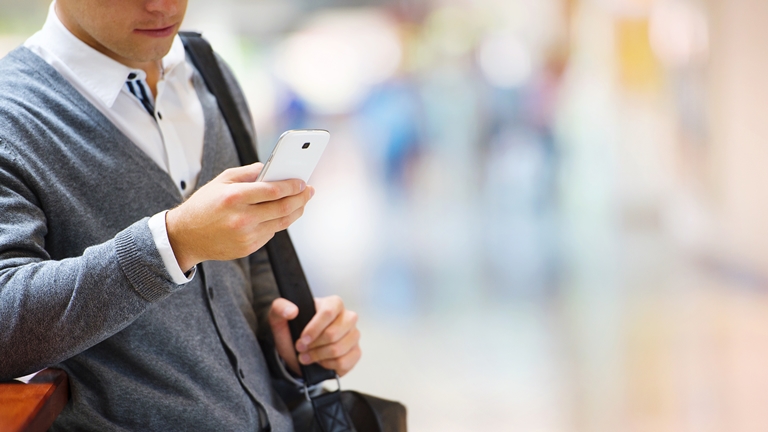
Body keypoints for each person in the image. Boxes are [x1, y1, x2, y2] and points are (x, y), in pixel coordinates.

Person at [0, 0, 362, 430]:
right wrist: (172, 243)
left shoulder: (208, 71)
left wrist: (288, 344)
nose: (163, 6)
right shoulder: (13, 113)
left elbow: (251, 272)